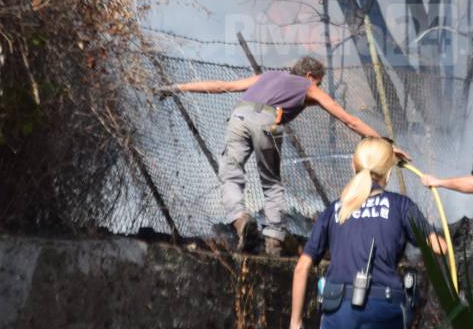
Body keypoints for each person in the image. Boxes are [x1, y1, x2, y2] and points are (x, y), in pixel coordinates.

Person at [158, 56, 404, 256]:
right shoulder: (308, 87)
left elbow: (225, 85)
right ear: (310, 76)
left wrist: (178, 87)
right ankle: (273, 240)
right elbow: (348, 120)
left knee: (230, 175)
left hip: (238, 117)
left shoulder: (268, 76)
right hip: (267, 122)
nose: (317, 89)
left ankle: (240, 220)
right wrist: (385, 145)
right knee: (272, 183)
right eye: (318, 83)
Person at [285, 137, 447, 329]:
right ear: (389, 173)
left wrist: (295, 328)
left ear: (353, 165)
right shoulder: (401, 205)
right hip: (385, 311)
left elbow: (301, 268)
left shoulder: (335, 209)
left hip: (339, 311)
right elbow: (438, 247)